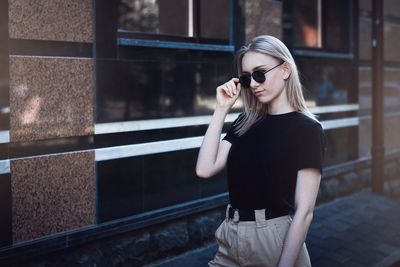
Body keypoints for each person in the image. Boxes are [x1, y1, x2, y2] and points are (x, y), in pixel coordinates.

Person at [195, 35, 326, 267]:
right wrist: (221, 109)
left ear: (285, 70)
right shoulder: (246, 121)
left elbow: (304, 211)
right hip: (230, 235)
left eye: (260, 73)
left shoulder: (307, 129)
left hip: (272, 239)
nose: (253, 83)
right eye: (247, 78)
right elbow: (204, 169)